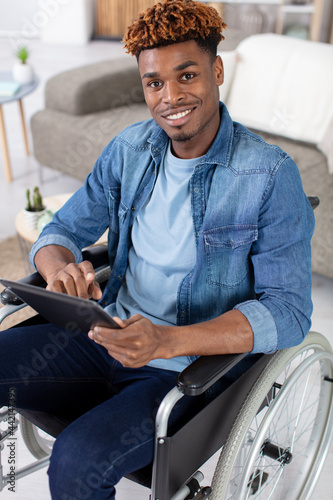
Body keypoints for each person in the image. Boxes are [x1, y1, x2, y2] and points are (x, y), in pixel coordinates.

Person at [0, 0, 315, 498]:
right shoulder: (129, 151)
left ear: (216, 70)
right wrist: (59, 271)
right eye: (154, 83)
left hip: (179, 373)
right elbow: (58, 231)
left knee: (76, 464)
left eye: (186, 75)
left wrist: (167, 341)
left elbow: (290, 312)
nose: (170, 97)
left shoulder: (270, 176)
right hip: (100, 338)